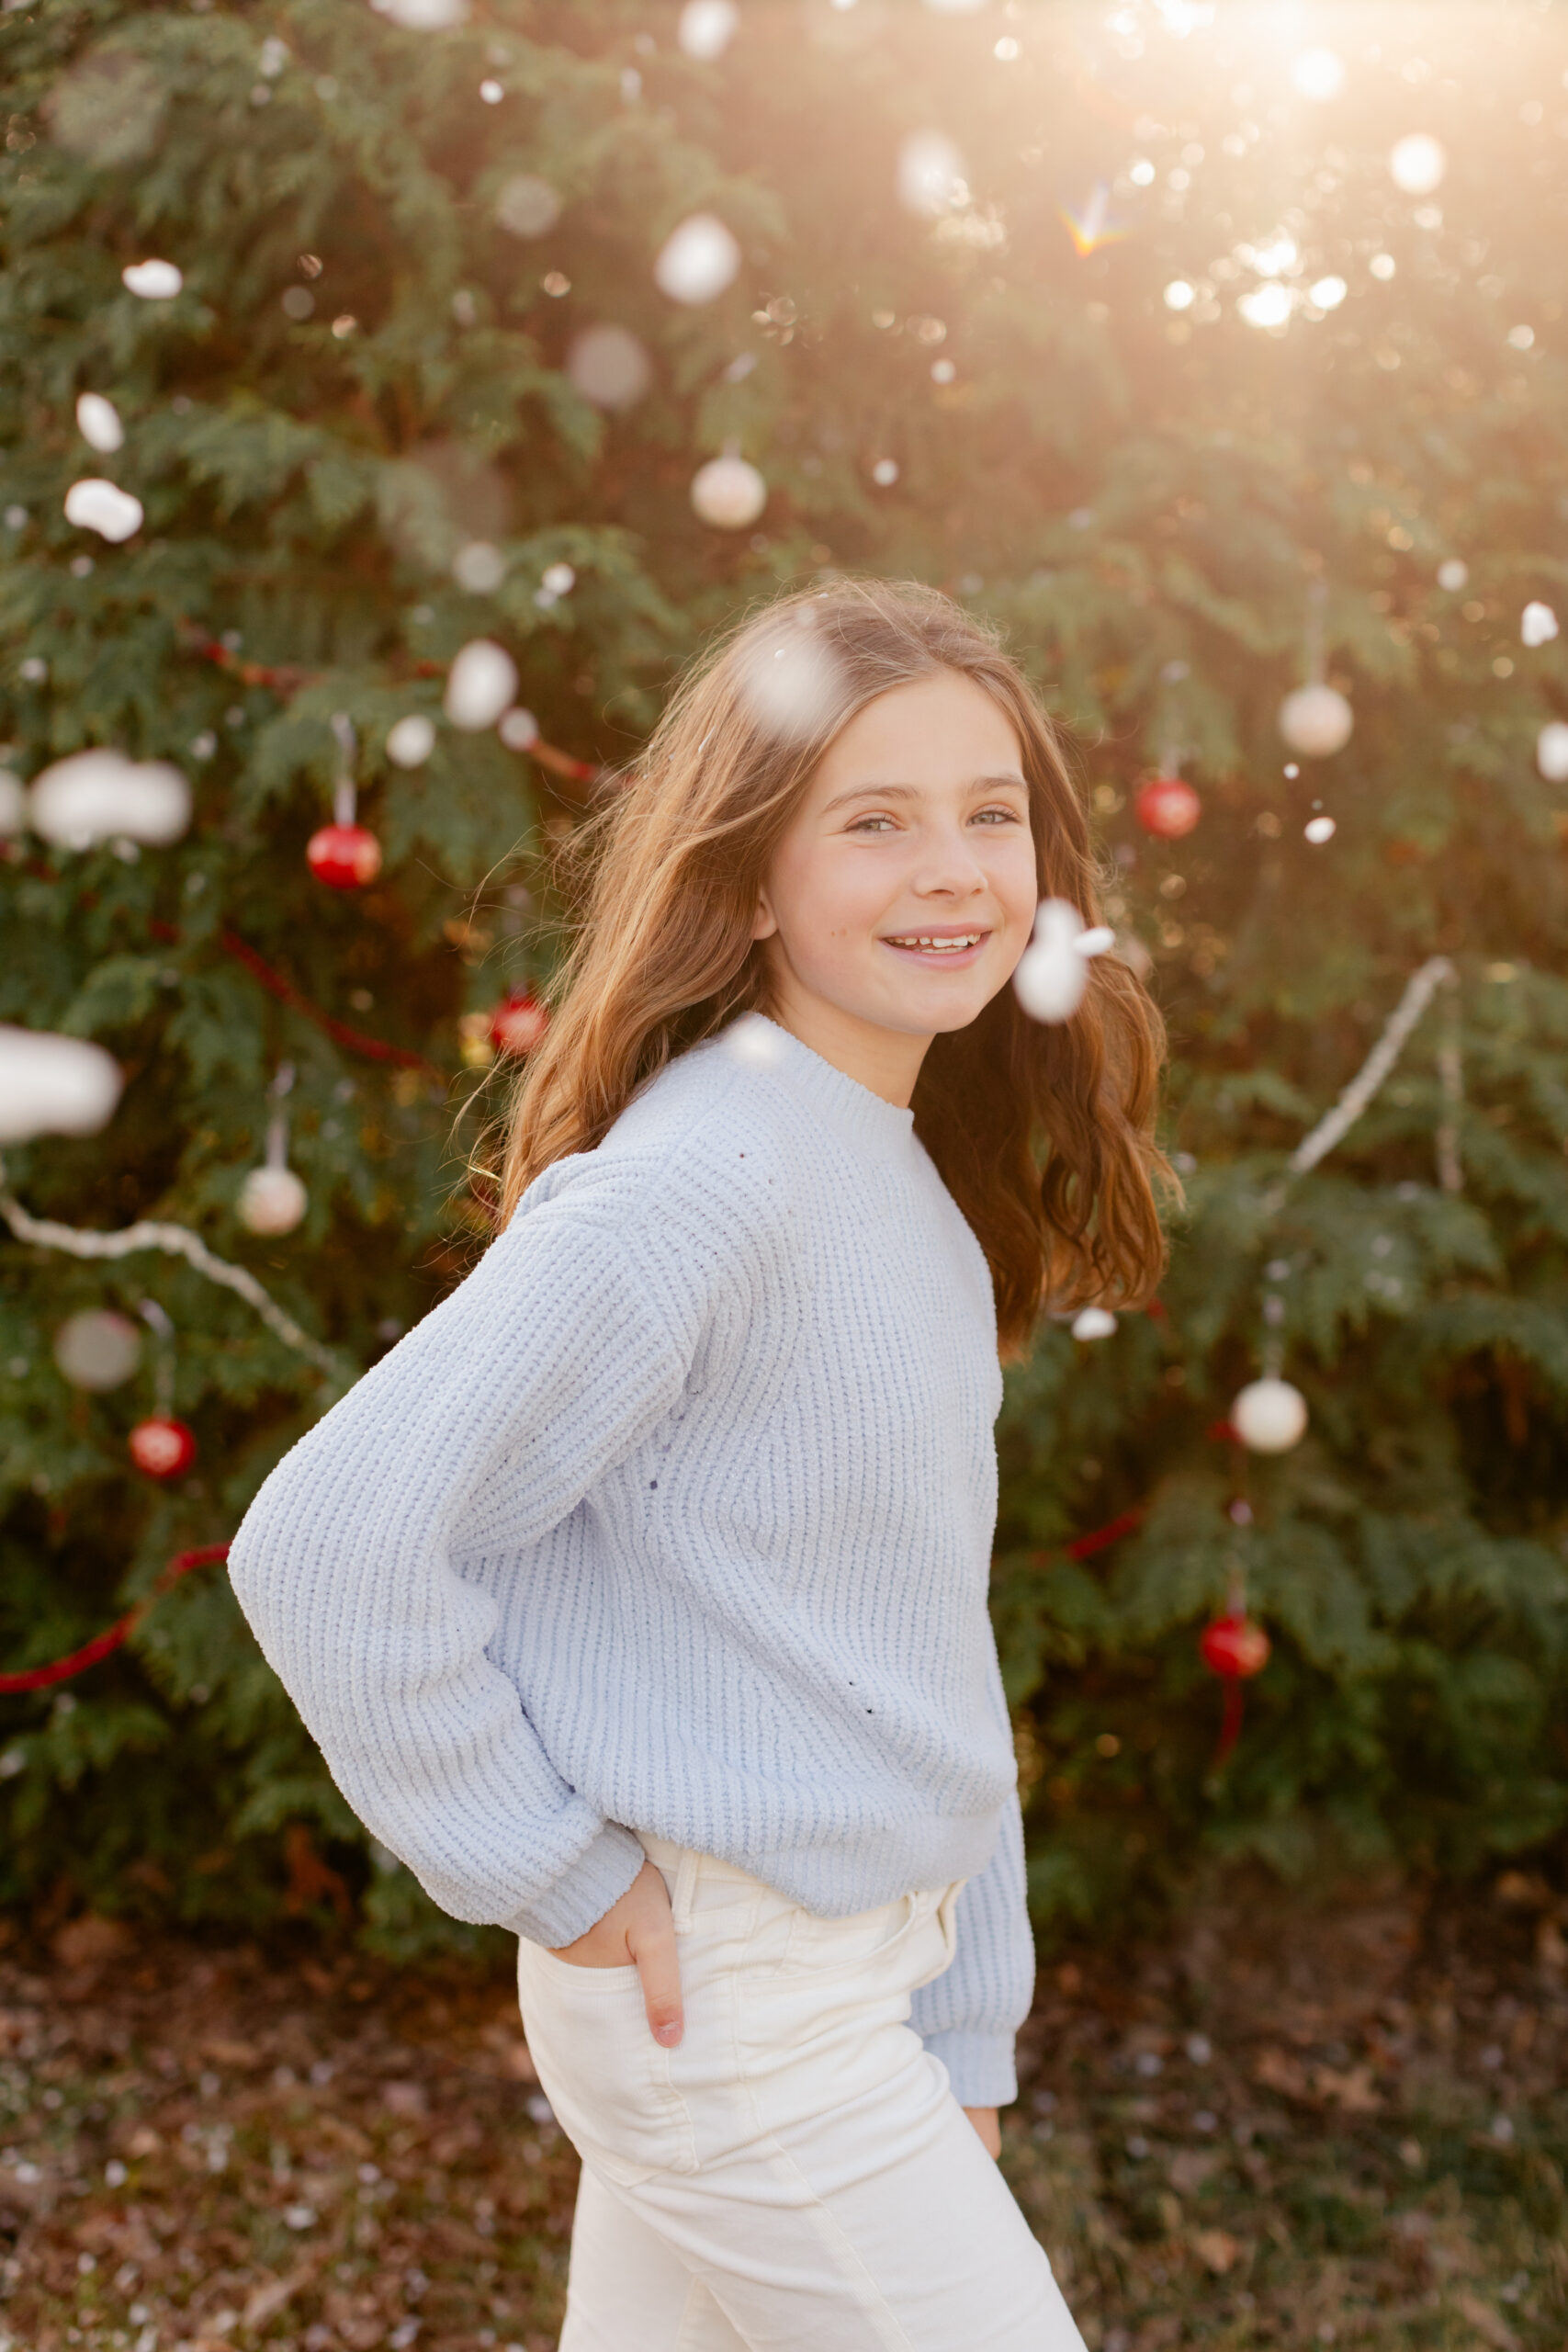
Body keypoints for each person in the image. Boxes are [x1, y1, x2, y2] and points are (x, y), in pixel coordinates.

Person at [229, 578, 1168, 2349]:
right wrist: (553, 1873)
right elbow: (332, 1545)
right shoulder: (701, 1181)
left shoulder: (896, 1175)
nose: (957, 869)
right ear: (748, 880)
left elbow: (915, 1648)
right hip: (729, 2002)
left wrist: (964, 2013)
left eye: (992, 815)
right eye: (873, 823)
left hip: (835, 1983)